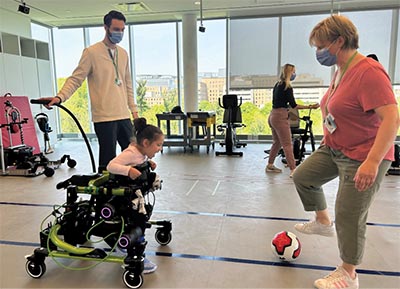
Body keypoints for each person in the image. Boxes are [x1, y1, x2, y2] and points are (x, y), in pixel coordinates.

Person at [292, 14, 399, 289]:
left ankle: (349, 273)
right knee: (303, 176)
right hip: (335, 147)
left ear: (339, 41)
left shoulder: (369, 72)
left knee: (350, 213)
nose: (318, 53)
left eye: (321, 46)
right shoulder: (341, 68)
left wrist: (373, 161)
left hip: (364, 154)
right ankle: (322, 221)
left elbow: (392, 119)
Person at [42, 10, 139, 172]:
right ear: (106, 28)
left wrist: (134, 112)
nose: (120, 33)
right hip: (104, 117)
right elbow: (76, 79)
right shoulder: (92, 52)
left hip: (123, 116)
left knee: (133, 154)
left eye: (122, 29)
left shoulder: (123, 54)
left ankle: (129, 191)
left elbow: (128, 84)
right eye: (116, 29)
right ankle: (106, 193)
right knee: (108, 160)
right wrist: (60, 97)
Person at [107, 117, 164, 274]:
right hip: (123, 193)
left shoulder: (141, 152)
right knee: (138, 219)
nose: (160, 148)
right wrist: (128, 170)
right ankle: (132, 253)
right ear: (146, 143)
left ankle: (127, 243)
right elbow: (111, 165)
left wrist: (148, 163)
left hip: (135, 191)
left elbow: (141, 159)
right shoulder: (131, 153)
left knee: (143, 213)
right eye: (158, 145)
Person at [266, 63, 319, 177]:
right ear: (290, 73)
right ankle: (293, 170)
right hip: (280, 117)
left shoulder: (277, 85)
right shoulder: (287, 86)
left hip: (272, 116)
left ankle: (270, 165)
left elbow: (280, 103)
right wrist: (310, 106)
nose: (295, 74)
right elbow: (294, 105)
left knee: (277, 142)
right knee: (287, 144)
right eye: (294, 71)